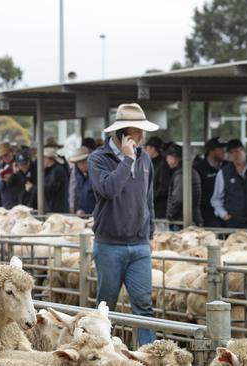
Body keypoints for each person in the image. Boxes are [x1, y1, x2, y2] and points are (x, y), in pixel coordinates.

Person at [88, 103, 158, 346]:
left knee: (144, 304)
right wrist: (127, 160)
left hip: (139, 245)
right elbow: (108, 190)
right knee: (106, 306)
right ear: (121, 133)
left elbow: (147, 199)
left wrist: (150, 234)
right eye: (136, 131)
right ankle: (101, 351)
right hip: (109, 245)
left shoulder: (145, 158)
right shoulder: (98, 158)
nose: (141, 136)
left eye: (141, 130)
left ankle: (149, 354)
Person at [211, 139, 247, 228]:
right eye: (231, 153)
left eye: (237, 151)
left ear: (244, 150)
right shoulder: (224, 173)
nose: (235, 155)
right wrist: (223, 214)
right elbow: (216, 198)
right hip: (234, 221)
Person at [165, 144, 203, 228]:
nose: (166, 160)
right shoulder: (188, 171)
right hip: (191, 217)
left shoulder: (181, 173)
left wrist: (170, 214)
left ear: (174, 158)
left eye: (168, 157)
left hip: (180, 221)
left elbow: (178, 198)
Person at [194, 137, 227, 228]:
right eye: (220, 148)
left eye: (225, 148)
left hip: (227, 215)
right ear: (211, 151)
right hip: (207, 216)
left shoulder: (228, 167)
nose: (224, 151)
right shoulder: (199, 168)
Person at [69, 146, 96, 215]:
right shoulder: (79, 176)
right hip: (84, 215)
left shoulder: (96, 175)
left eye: (84, 161)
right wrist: (79, 209)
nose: (81, 165)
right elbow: (77, 195)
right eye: (79, 163)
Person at [149, 137, 171, 220]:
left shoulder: (162, 164)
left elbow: (163, 187)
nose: (145, 150)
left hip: (159, 209)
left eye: (146, 147)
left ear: (153, 148)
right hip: (152, 207)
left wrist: (150, 198)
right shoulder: (151, 162)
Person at [41, 148, 69, 213]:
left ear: (50, 159)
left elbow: (51, 188)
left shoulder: (57, 170)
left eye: (44, 158)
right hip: (52, 207)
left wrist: (34, 188)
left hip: (57, 209)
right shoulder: (50, 170)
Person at [0, 142, 18, 209]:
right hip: (7, 204)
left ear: (12, 152)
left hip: (20, 204)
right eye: (2, 156)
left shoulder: (20, 164)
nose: (4, 158)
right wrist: (3, 180)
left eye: (6, 155)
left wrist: (16, 175)